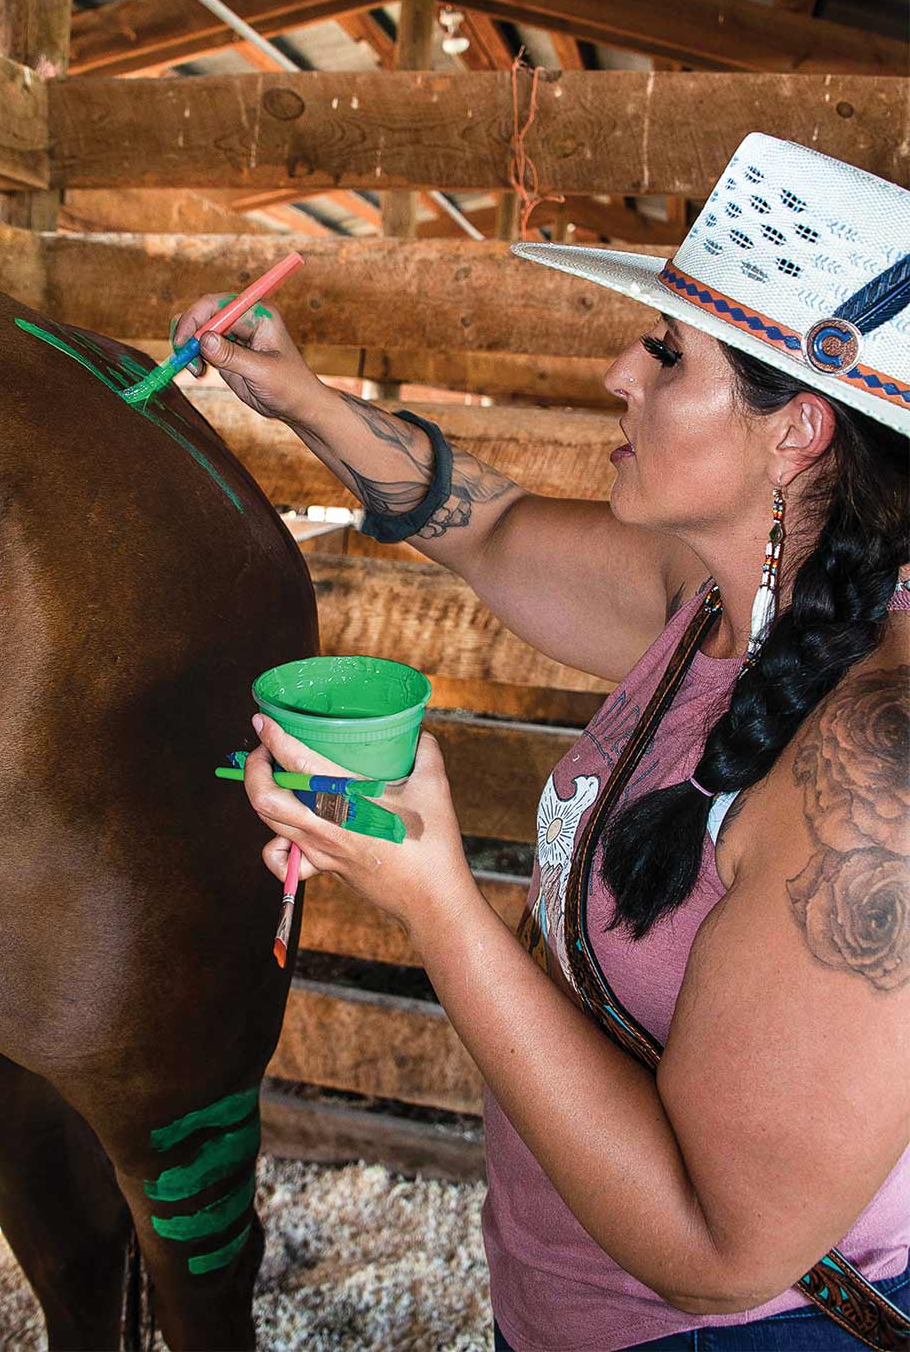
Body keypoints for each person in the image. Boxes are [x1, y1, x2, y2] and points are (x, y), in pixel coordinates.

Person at [173, 133, 909, 1351]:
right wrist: (299, 398)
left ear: (799, 433)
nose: (619, 369)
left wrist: (435, 905)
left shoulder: (875, 779)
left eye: (668, 354)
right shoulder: (708, 597)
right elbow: (496, 530)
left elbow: (719, 1256)